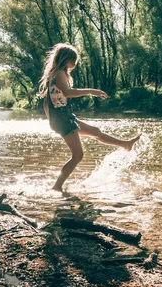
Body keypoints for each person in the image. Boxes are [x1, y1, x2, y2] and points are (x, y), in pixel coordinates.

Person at [38, 43, 142, 192]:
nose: (75, 63)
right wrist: (91, 91)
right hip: (63, 118)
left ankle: (125, 144)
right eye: (73, 60)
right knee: (78, 155)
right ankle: (57, 187)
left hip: (63, 117)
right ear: (65, 59)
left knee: (95, 131)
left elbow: (46, 104)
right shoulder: (59, 73)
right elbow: (67, 92)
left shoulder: (55, 74)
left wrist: (52, 120)